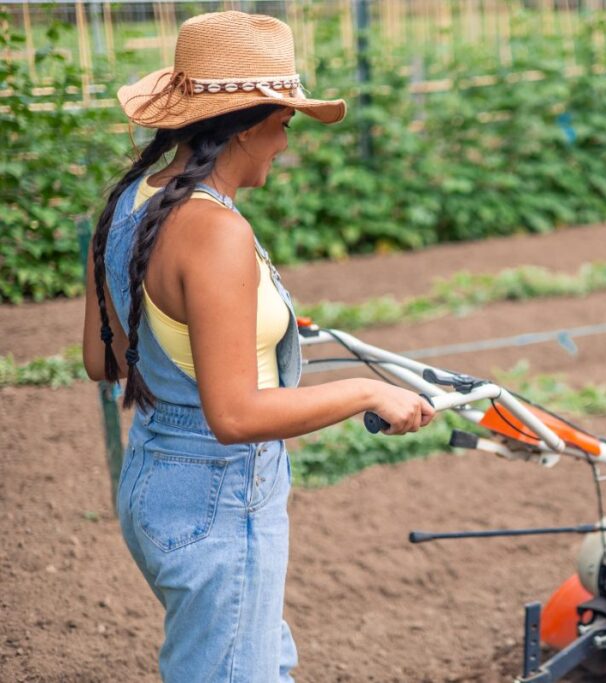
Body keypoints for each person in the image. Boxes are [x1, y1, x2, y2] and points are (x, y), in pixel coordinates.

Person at [81, 11, 434, 682]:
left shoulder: (131, 201)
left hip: (155, 476)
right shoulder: (215, 231)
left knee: (258, 660)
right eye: (285, 122)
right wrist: (368, 390)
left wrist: (216, 330)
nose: (285, 142)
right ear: (247, 124)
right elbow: (235, 415)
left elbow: (104, 359)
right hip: (218, 495)